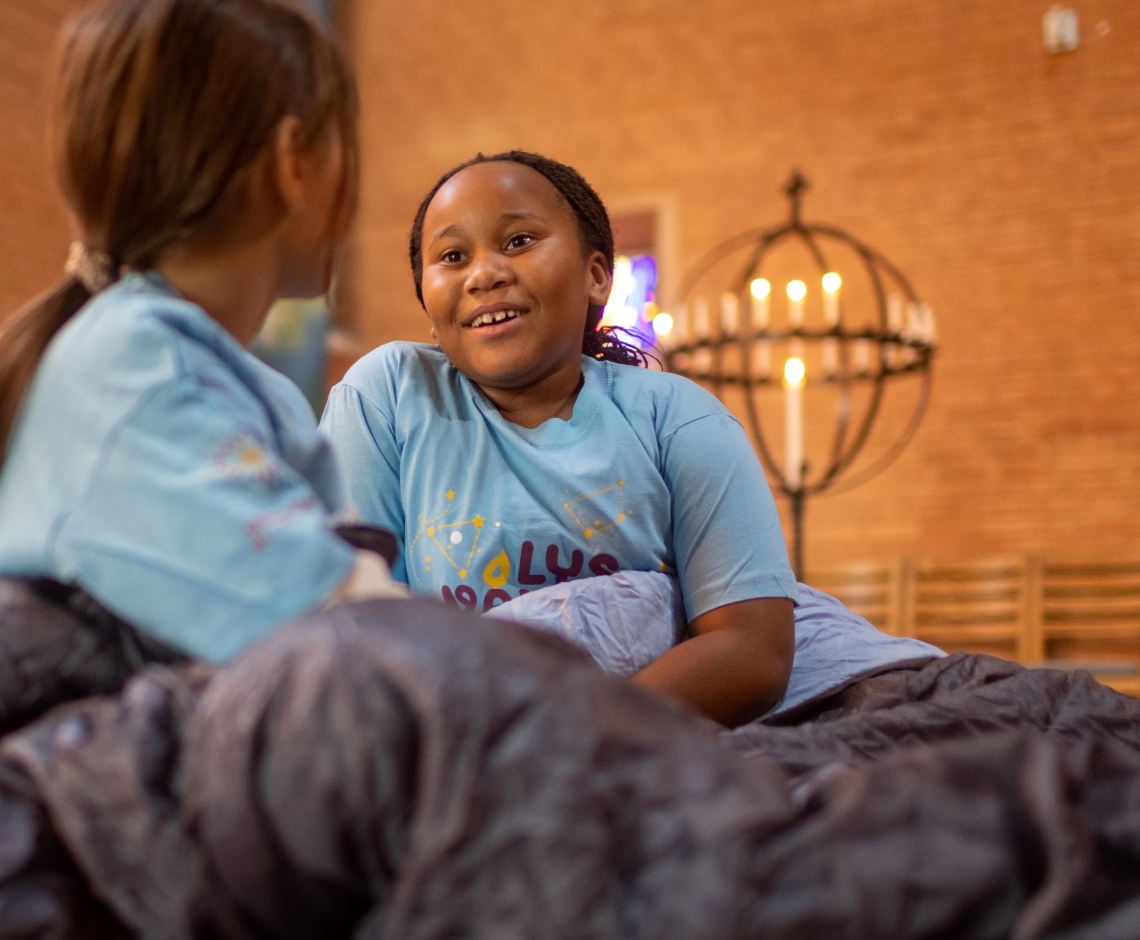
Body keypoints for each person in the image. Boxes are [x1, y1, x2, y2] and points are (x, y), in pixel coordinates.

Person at [320, 151, 936, 725]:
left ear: (596, 277)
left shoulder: (677, 416)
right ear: (429, 309)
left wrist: (574, 737)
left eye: (518, 241)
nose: (484, 273)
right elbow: (354, 626)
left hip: (636, 730)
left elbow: (752, 649)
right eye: (453, 256)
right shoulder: (388, 396)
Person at [0, 0, 396, 663]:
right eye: (346, 139)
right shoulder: (135, 366)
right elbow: (339, 637)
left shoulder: (230, 381)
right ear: (294, 164)